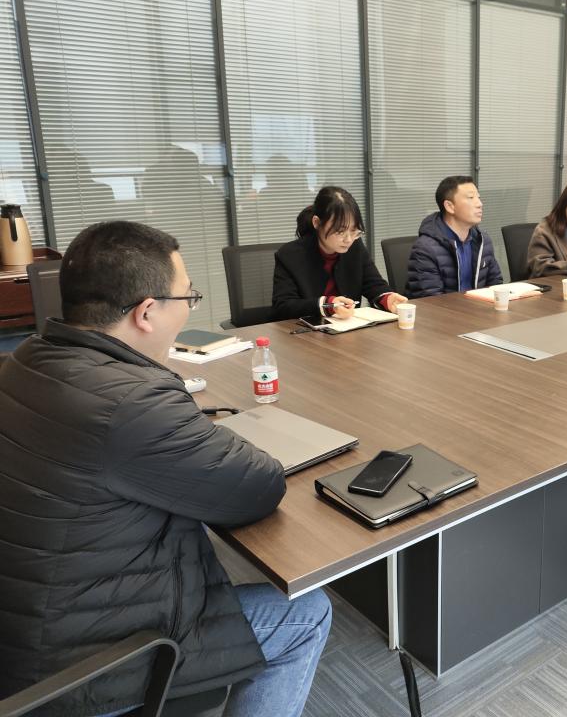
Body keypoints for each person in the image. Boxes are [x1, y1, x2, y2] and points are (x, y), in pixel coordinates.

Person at [0, 221, 331, 717]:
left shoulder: (27, 357)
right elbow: (259, 487)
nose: (190, 307)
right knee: (307, 612)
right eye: (188, 297)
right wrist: (195, 428)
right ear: (147, 312)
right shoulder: (133, 402)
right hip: (84, 669)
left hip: (30, 630)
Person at [273, 186, 407, 321]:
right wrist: (327, 305)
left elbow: (373, 284)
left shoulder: (355, 247)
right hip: (305, 331)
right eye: (340, 231)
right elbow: (283, 307)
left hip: (348, 328)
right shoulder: (289, 255)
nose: (348, 239)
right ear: (317, 223)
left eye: (354, 230)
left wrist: (387, 298)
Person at [406, 175, 503, 298]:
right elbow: (431, 301)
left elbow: (496, 285)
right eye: (471, 198)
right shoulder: (425, 248)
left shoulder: (482, 240)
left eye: (478, 198)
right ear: (449, 206)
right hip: (442, 310)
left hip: (478, 308)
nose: (479, 204)